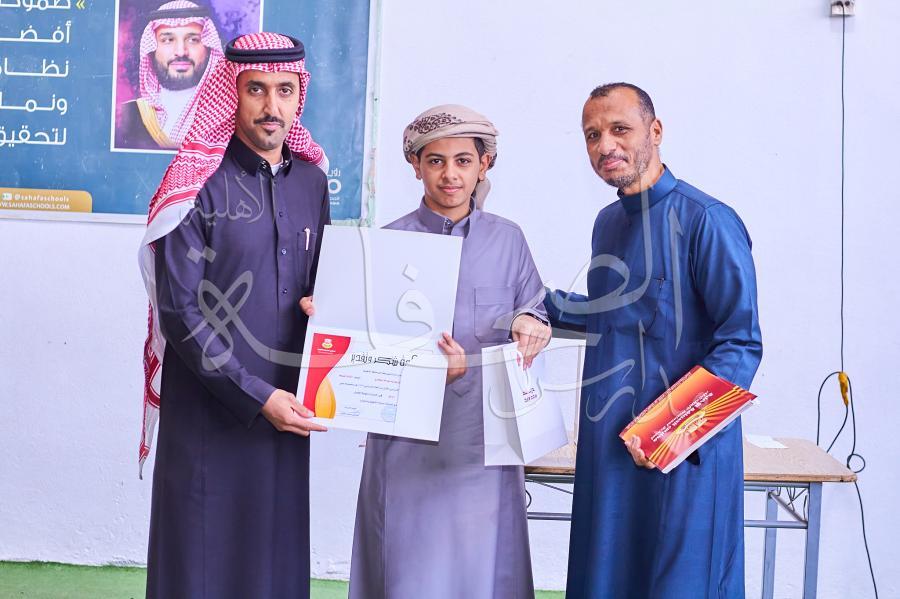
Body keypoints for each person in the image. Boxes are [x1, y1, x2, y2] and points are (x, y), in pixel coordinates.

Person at [545, 83, 763, 598]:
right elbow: (610, 316)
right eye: (592, 135)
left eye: (619, 129)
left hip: (683, 455)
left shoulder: (707, 220)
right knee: (606, 582)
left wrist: (669, 430)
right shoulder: (608, 224)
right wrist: (527, 305)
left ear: (656, 131)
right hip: (609, 447)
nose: (605, 145)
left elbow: (741, 342)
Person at [136, 32, 331, 598]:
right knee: (200, 562)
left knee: (273, 560)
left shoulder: (312, 181)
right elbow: (180, 309)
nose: (272, 106)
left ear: (299, 96)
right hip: (210, 407)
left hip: (289, 407)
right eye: (256, 90)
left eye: (285, 90)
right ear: (231, 92)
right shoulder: (195, 182)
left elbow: (322, 289)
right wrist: (255, 395)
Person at [334, 104, 552, 598]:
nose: (450, 174)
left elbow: (533, 308)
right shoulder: (386, 245)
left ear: (484, 165)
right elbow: (362, 350)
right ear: (415, 165)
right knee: (408, 569)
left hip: (485, 440)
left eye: (463, 161)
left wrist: (530, 322)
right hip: (405, 443)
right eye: (435, 161)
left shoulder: (509, 240)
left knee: (483, 569)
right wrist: (425, 371)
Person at [116, 0, 223, 150]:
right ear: (152, 49)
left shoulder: (227, 115)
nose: (181, 51)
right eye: (167, 40)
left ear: (208, 47)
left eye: (193, 40)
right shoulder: (127, 115)